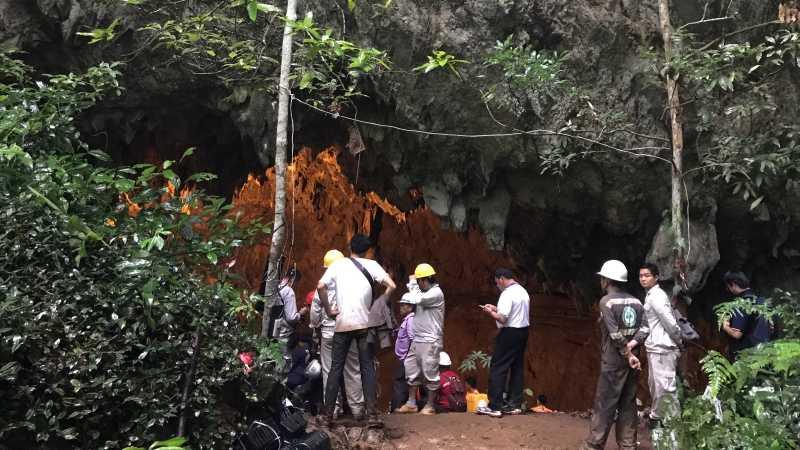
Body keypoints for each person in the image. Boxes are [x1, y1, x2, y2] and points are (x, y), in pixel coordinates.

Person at [317, 235, 396, 426]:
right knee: (366, 367)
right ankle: (372, 415)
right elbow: (392, 285)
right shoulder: (373, 265)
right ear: (367, 250)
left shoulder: (338, 265)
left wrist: (329, 309)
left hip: (343, 324)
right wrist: (379, 303)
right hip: (365, 325)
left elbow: (320, 286)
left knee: (335, 368)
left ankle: (328, 416)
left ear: (349, 247)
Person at [580, 260, 649, 450]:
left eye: (602, 278)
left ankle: (594, 444)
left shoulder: (606, 302)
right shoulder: (636, 301)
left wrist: (626, 353)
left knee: (605, 402)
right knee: (628, 402)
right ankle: (627, 445)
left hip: (614, 361)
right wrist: (633, 349)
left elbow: (615, 334)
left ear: (606, 281)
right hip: (633, 361)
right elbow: (644, 329)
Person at [309, 250, 365, 418]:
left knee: (329, 370)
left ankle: (333, 409)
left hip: (328, 333)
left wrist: (316, 327)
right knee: (352, 369)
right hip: (348, 330)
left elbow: (315, 313)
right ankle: (357, 409)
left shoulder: (322, 286)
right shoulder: (351, 286)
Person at [628, 263, 683, 427]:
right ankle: (660, 420)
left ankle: (672, 424)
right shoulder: (651, 295)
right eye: (641, 276)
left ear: (656, 277)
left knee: (665, 387)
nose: (643, 278)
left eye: (647, 275)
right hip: (656, 348)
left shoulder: (657, 296)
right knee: (657, 386)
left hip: (663, 348)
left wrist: (678, 341)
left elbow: (670, 323)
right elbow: (651, 324)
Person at [476, 268, 531, 418]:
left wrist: (489, 312)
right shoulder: (522, 291)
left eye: (496, 283)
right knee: (517, 366)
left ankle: (495, 406)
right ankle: (515, 404)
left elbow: (502, 318)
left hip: (510, 332)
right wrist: (495, 308)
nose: (497, 286)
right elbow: (512, 312)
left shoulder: (507, 293)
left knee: (498, 367)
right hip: (523, 331)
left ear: (501, 279)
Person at [395, 264, 445, 416]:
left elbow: (417, 299)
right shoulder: (423, 291)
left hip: (430, 339)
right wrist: (413, 283)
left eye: (419, 282)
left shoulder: (436, 293)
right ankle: (411, 403)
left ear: (424, 281)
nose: (417, 284)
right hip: (417, 339)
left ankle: (430, 406)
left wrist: (412, 284)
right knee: (411, 369)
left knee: (430, 372)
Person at [721, 271, 771, 360]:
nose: (727, 289)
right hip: (765, 353)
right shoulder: (762, 300)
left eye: (728, 286)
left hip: (746, 357)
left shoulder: (741, 303)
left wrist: (725, 326)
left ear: (733, 284)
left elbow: (737, 334)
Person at [265, 268, 308, 368]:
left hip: (272, 330)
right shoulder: (288, 291)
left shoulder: (276, 287)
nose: (296, 285)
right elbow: (291, 317)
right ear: (293, 279)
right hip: (283, 333)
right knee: (283, 361)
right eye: (296, 282)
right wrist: (300, 313)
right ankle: (280, 381)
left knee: (272, 358)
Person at [391, 293, 416, 412]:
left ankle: (398, 408)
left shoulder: (410, 320)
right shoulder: (407, 320)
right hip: (404, 358)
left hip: (405, 359)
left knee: (400, 383)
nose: (400, 308)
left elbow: (412, 338)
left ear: (410, 307)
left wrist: (408, 358)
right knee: (401, 382)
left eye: (403, 305)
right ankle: (400, 407)